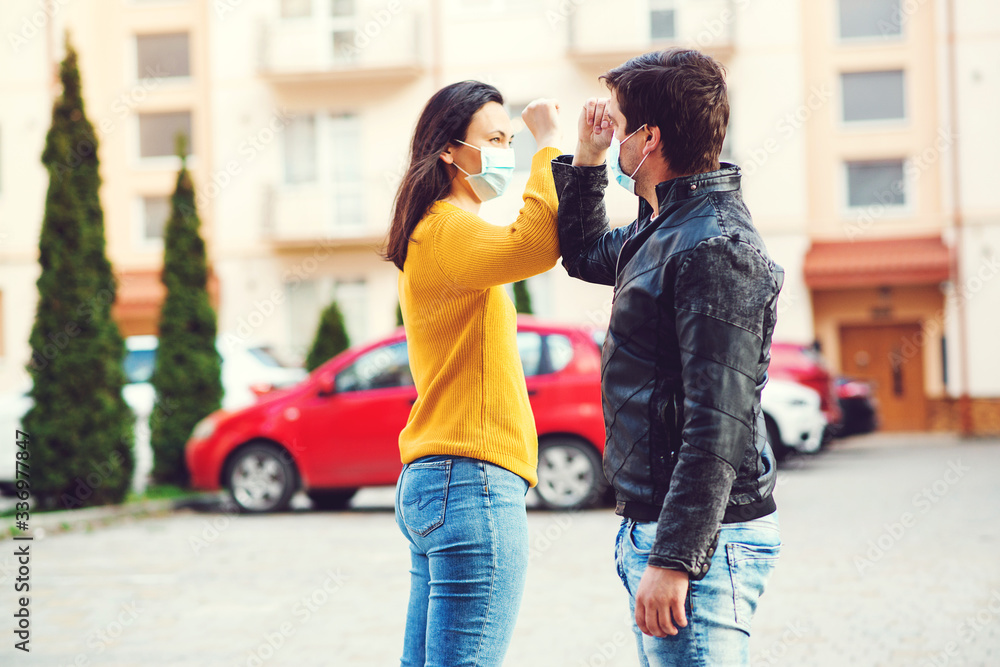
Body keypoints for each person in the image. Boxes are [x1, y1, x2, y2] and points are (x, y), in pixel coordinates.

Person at [552, 49, 784, 665]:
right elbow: (580, 253)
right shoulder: (664, 227)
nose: (614, 131)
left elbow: (719, 420)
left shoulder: (716, 246)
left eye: (621, 123)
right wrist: (590, 156)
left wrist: (676, 559)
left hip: (705, 540)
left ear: (649, 137)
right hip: (658, 526)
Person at [383, 81, 561, 666]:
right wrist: (550, 146)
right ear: (449, 151)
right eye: (494, 139)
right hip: (472, 480)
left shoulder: (440, 232)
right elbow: (536, 244)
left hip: (443, 477)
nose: (505, 151)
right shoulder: (445, 227)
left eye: (511, 139)